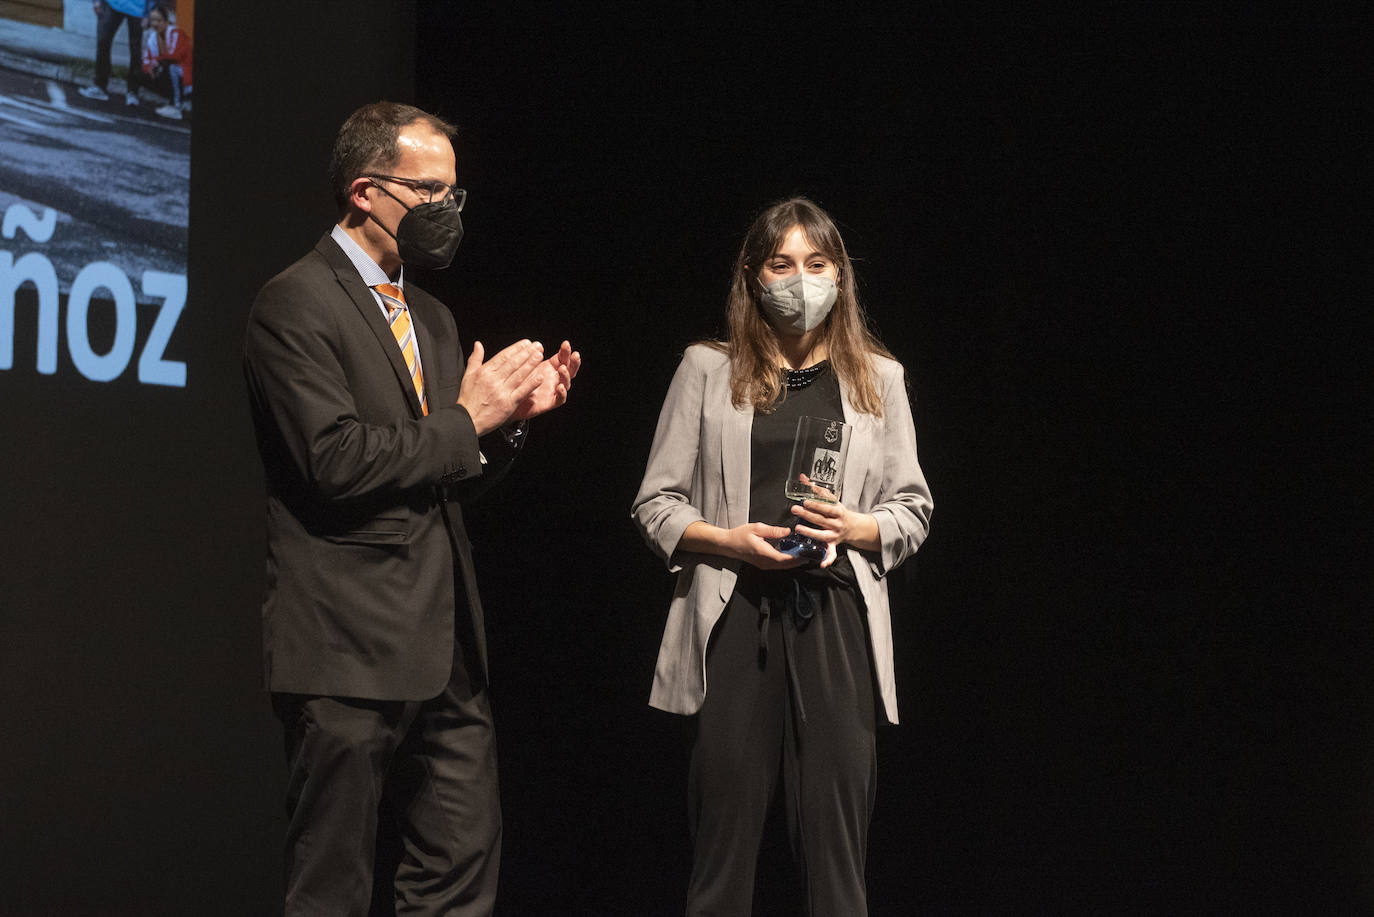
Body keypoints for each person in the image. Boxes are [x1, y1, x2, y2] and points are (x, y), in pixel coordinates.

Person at [243, 101, 580, 916]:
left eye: (455, 195)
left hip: (445, 647)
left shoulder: (431, 315)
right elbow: (336, 461)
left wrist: (509, 429)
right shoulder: (294, 304)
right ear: (364, 191)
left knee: (461, 866)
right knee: (332, 886)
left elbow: (444, 474)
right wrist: (470, 419)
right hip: (347, 644)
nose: (448, 213)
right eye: (430, 193)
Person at [632, 196, 932, 915]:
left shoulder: (878, 379)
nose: (801, 281)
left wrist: (853, 526)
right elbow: (656, 504)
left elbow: (912, 508)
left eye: (817, 264)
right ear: (753, 276)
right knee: (723, 846)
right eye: (782, 264)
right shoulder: (707, 369)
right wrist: (730, 540)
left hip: (833, 614)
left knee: (836, 852)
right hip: (736, 611)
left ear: (840, 275)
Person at [77, 0, 150, 106]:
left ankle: (133, 92)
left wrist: (148, 13)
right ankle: (100, 86)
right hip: (113, 4)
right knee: (103, 40)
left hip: (138, 9)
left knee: (135, 50)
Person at [138, 5, 191, 119]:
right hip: (172, 72)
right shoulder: (152, 38)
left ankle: (176, 107)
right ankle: (175, 101)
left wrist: (157, 61)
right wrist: (150, 68)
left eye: (159, 20)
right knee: (142, 74)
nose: (155, 24)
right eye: (152, 20)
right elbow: (146, 60)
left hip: (187, 74)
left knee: (170, 66)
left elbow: (175, 55)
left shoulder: (176, 32)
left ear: (166, 21)